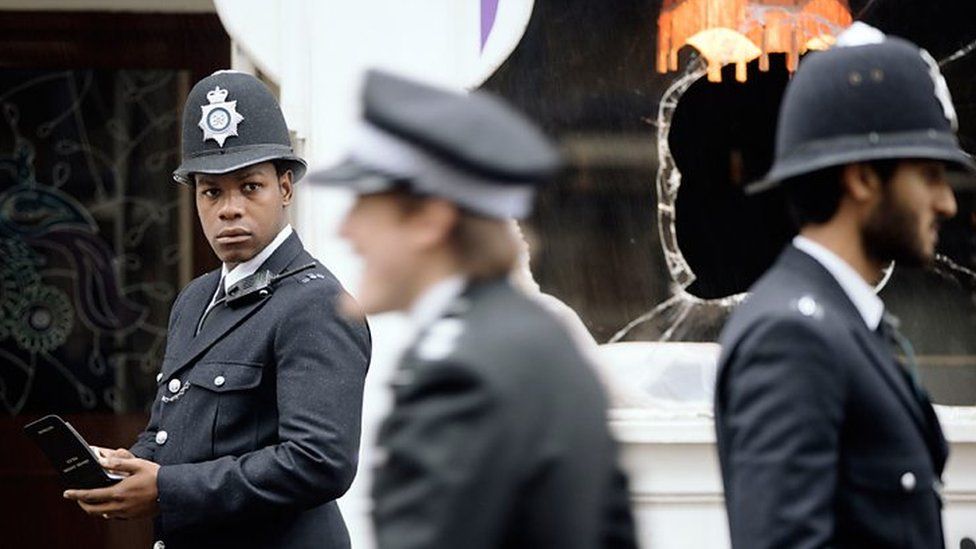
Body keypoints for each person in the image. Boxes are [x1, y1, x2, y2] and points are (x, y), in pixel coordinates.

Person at [309, 69, 637, 549]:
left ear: (430, 219)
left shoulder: (461, 371)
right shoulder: (538, 337)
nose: (346, 230)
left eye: (364, 203)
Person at [64, 70, 371, 549]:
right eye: (212, 191)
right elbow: (175, 432)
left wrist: (164, 489)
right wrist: (127, 464)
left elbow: (319, 462)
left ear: (285, 188)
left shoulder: (315, 304)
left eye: (250, 187)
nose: (229, 208)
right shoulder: (196, 298)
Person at [715, 23, 976, 548]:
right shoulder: (791, 337)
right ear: (861, 179)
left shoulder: (841, 324)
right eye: (927, 174)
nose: (947, 202)